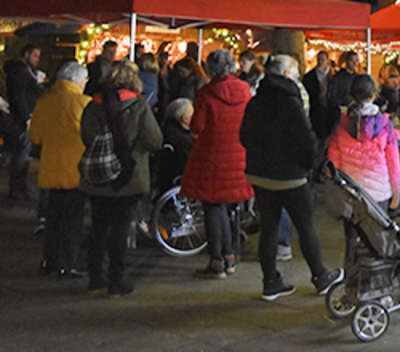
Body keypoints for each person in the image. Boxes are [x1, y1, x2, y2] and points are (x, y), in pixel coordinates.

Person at [239, 54, 342, 301]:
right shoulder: (291, 103)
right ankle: (320, 276)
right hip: (291, 176)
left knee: (269, 227)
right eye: (295, 73)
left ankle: (270, 282)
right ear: (286, 75)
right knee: (306, 226)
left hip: (261, 175)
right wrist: (308, 165)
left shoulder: (256, 101)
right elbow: (307, 140)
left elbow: (244, 136)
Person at [80, 60, 163, 295]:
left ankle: (95, 277)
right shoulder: (138, 107)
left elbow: (86, 137)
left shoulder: (92, 106)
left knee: (98, 227)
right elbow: (154, 141)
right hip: (129, 177)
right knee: (120, 229)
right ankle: (117, 278)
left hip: (97, 177)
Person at [180, 50, 253, 279]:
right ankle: (230, 255)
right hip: (238, 155)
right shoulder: (245, 91)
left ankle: (217, 260)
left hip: (213, 156)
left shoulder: (207, 93)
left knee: (213, 206)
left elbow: (197, 126)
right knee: (226, 207)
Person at [28, 60, 90, 278]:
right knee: (73, 221)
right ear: (78, 81)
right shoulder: (85, 103)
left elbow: (35, 136)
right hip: (77, 170)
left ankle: (50, 260)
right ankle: (68, 263)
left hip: (51, 169)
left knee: (53, 219)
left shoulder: (44, 103)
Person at [327, 74, 400, 206]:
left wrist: (334, 188)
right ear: (374, 95)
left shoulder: (341, 123)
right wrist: (396, 192)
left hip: (351, 191)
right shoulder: (384, 124)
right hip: (379, 192)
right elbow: (393, 161)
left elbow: (333, 160)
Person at [4, 42, 44, 201]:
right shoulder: (20, 71)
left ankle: (19, 187)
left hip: (24, 116)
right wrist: (27, 116)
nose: (37, 60)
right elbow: (20, 96)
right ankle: (17, 189)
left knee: (22, 154)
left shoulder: (22, 71)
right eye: (35, 56)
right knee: (22, 154)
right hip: (22, 119)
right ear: (26, 54)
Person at [303, 50, 333, 139]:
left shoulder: (333, 76)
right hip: (316, 108)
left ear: (327, 60)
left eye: (323, 59)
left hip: (330, 109)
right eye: (319, 59)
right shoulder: (309, 77)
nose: (320, 62)